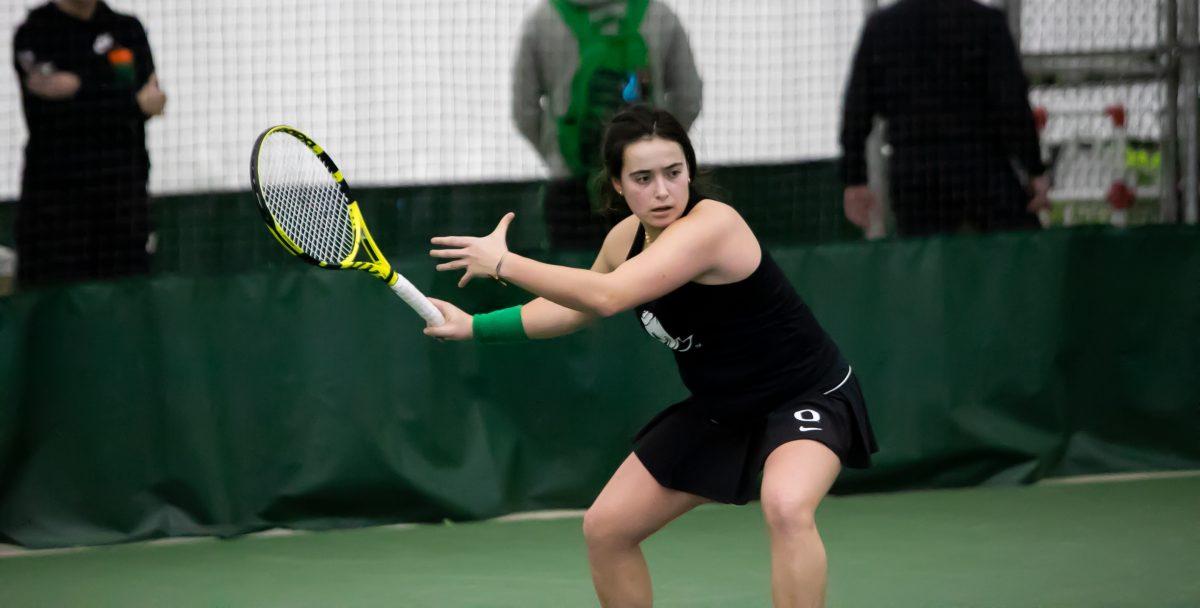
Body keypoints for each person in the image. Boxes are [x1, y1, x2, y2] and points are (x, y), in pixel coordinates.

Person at [426, 106, 877, 607]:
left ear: (691, 172)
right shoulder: (625, 240)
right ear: (618, 185)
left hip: (804, 395)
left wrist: (505, 264)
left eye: (674, 173)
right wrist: (474, 326)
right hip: (723, 408)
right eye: (642, 178)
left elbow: (607, 296)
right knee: (607, 529)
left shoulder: (714, 226)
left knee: (788, 506)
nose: (662, 191)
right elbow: (575, 308)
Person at [839, 0, 1050, 237]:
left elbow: (857, 107)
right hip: (981, 164)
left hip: (915, 169)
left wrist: (854, 178)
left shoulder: (882, 27)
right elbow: (1011, 104)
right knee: (1014, 250)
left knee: (926, 260)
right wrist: (1034, 168)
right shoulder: (986, 23)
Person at [512, 0, 702, 250]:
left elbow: (524, 110)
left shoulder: (541, 19)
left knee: (573, 279)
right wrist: (660, 149)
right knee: (652, 275)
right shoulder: (658, 14)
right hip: (650, 186)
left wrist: (557, 155)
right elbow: (688, 97)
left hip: (570, 189)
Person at [12, 0, 166, 287]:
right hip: (55, 214)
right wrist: (128, 102)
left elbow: (152, 99)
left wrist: (78, 88)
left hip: (123, 207)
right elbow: (51, 113)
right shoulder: (36, 32)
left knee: (126, 312)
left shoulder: (126, 29)